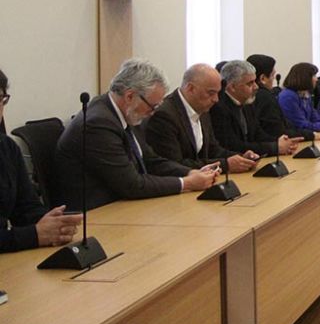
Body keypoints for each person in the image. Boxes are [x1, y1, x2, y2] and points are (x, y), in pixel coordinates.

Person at [55, 58, 218, 211]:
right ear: (130, 96)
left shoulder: (126, 112)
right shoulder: (97, 124)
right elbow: (131, 184)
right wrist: (186, 183)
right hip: (97, 212)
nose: (153, 113)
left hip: (122, 204)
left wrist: (189, 172)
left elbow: (151, 160)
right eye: (152, 106)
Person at [1, 68, 83, 252]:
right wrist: (34, 235)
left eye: (0, 99)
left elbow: (26, 208)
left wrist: (54, 225)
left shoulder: (6, 147)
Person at [143, 63, 258, 173]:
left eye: (218, 93)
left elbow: (214, 150)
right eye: (211, 93)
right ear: (190, 88)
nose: (216, 99)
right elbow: (174, 165)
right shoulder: (164, 115)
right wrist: (225, 164)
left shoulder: (202, 108)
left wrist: (240, 157)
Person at [211, 59, 300, 157]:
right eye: (250, 83)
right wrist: (274, 147)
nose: (256, 87)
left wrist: (280, 142)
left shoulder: (247, 102)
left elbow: (257, 133)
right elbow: (233, 146)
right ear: (232, 87)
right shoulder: (219, 108)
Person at [247, 54, 301, 139]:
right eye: (272, 75)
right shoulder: (265, 97)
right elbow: (277, 131)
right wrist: (309, 135)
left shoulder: (248, 97)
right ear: (263, 79)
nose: (274, 79)